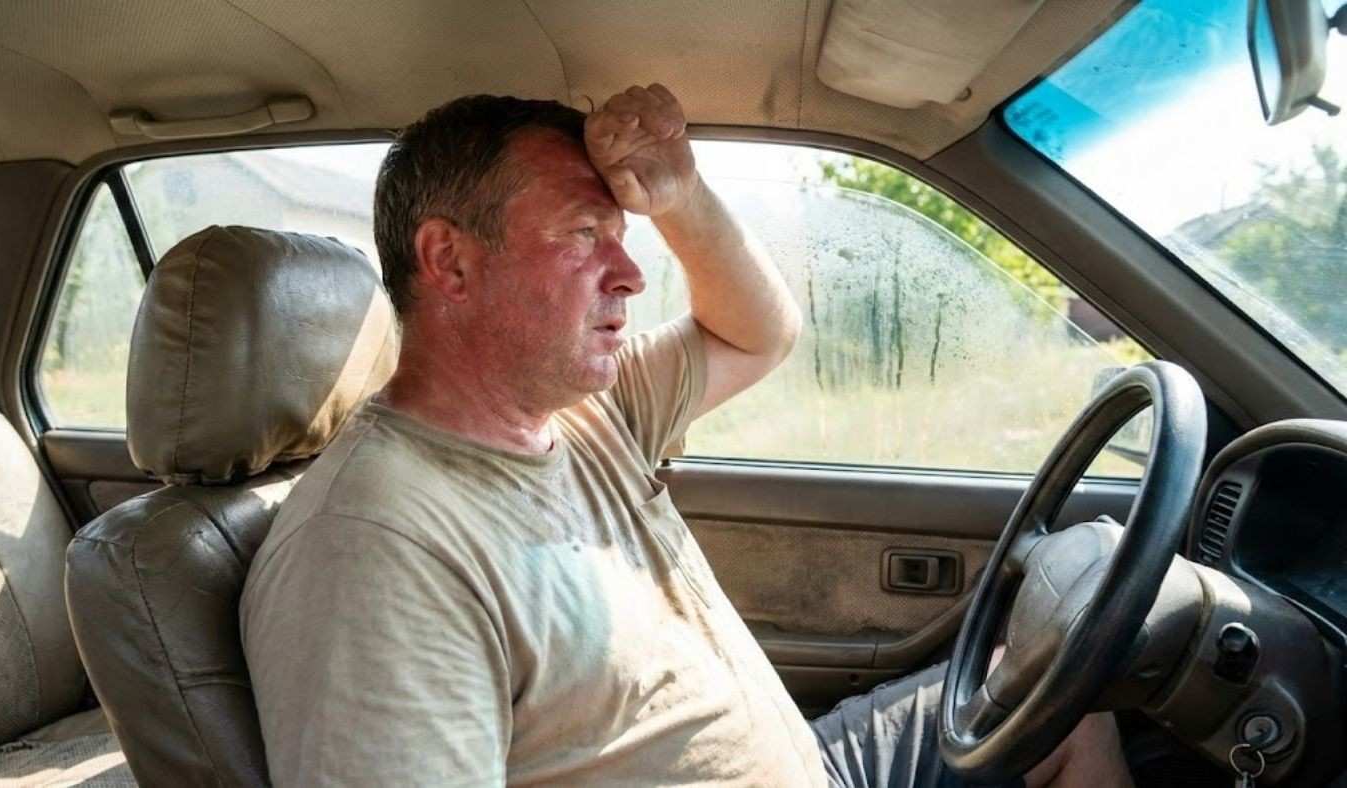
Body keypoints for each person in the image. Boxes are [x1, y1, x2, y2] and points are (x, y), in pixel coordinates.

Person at [239, 83, 1134, 787]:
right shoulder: (373, 549)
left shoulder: (581, 414)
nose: (631, 273)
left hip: (816, 765)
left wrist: (681, 196)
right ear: (450, 260)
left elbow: (758, 334)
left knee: (1059, 696)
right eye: (584, 234)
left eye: (622, 234)